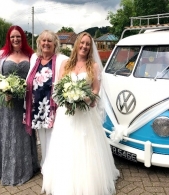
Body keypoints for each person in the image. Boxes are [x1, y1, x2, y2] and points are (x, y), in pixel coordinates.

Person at [41, 32, 120, 195]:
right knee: (66, 146)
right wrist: (66, 100)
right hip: (67, 114)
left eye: (88, 44)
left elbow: (96, 89)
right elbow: (58, 87)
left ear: (90, 48)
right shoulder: (66, 64)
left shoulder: (94, 66)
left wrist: (87, 99)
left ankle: (87, 185)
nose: (84, 46)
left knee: (86, 148)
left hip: (85, 114)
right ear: (77, 44)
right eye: (82, 43)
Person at [0, 25, 39, 186]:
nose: (15, 39)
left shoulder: (30, 55)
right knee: (8, 133)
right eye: (12, 37)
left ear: (23, 38)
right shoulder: (1, 54)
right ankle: (7, 169)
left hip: (24, 100)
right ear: (8, 39)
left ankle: (26, 168)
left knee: (23, 133)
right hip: (7, 100)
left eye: (18, 36)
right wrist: (5, 89)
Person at [24, 30, 69, 167]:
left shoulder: (62, 59)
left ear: (55, 43)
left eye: (49, 41)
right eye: (43, 40)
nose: (46, 43)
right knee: (42, 135)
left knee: (53, 135)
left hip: (52, 105)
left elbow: (64, 83)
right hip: (36, 104)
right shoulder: (34, 58)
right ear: (39, 43)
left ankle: (54, 166)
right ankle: (45, 163)